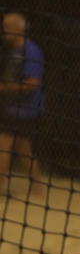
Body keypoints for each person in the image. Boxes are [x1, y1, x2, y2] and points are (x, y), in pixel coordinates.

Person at [0, 12, 45, 198]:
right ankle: (37, 187)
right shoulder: (15, 50)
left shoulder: (30, 51)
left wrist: (4, 88)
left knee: (3, 145)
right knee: (22, 147)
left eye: (8, 27)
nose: (4, 31)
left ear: (20, 29)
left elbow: (33, 83)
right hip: (14, 108)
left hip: (24, 109)